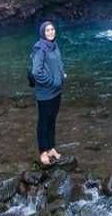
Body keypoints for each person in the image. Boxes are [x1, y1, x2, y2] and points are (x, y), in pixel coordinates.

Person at [30, 20, 67, 166]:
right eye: (47, 30)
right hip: (45, 93)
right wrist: (51, 82)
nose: (51, 32)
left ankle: (51, 148)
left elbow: (59, 62)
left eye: (52, 29)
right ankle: (43, 152)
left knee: (52, 120)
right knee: (43, 122)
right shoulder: (40, 49)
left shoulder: (54, 46)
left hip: (56, 92)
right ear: (43, 33)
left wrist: (62, 73)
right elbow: (36, 72)